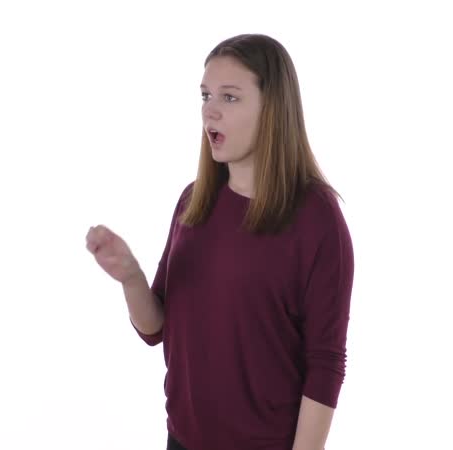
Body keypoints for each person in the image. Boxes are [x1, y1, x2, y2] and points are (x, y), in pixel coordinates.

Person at [86, 33, 354, 450]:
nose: (209, 110)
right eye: (205, 95)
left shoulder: (317, 217)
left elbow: (325, 364)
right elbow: (155, 328)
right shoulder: (193, 202)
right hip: (181, 439)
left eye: (229, 97)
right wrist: (130, 277)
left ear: (273, 109)